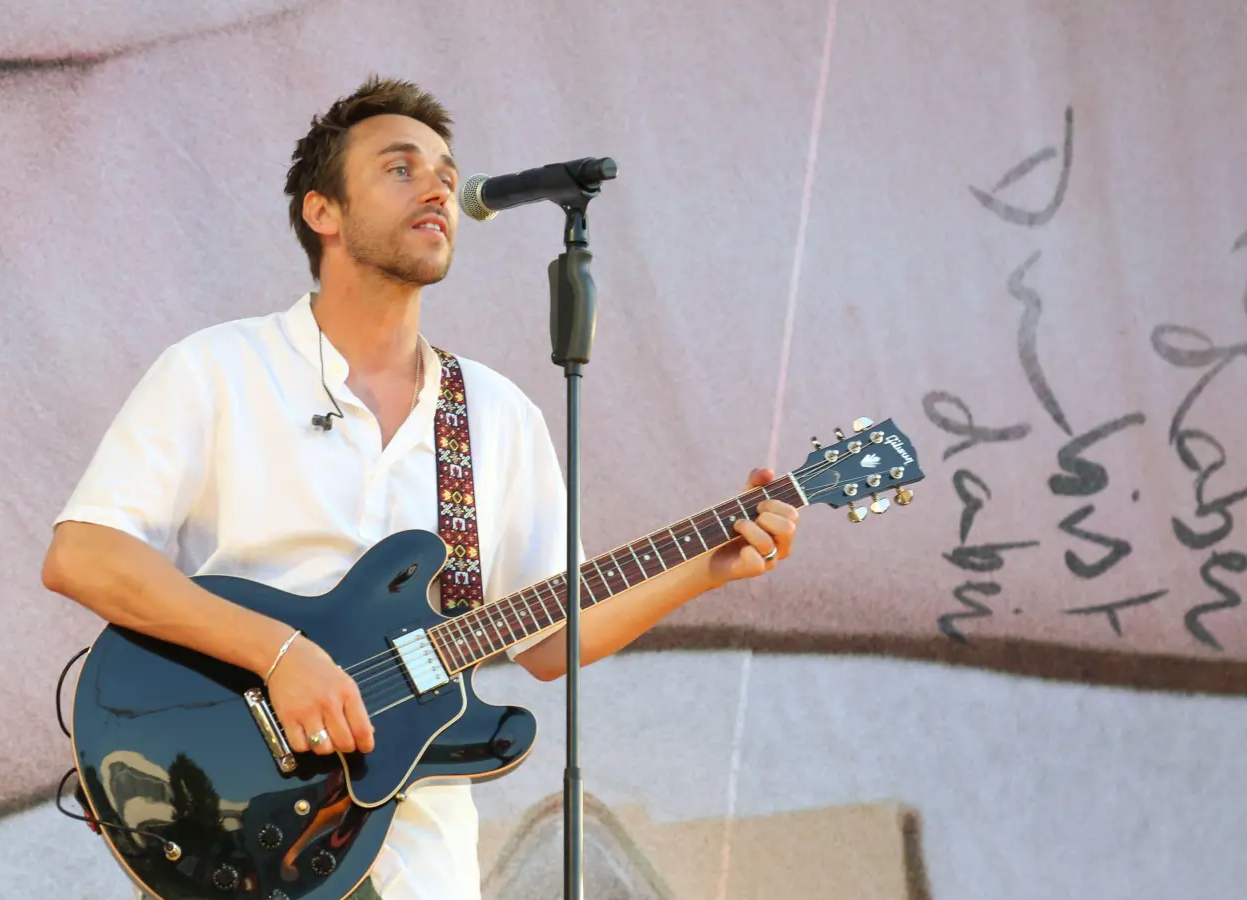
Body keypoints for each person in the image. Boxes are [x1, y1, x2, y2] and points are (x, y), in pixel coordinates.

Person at [40, 75, 800, 900]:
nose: (438, 186)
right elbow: (83, 555)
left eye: (445, 170)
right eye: (400, 169)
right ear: (322, 211)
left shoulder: (495, 415)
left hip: (421, 861)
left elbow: (548, 639)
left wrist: (708, 567)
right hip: (237, 821)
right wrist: (283, 655)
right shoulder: (219, 370)